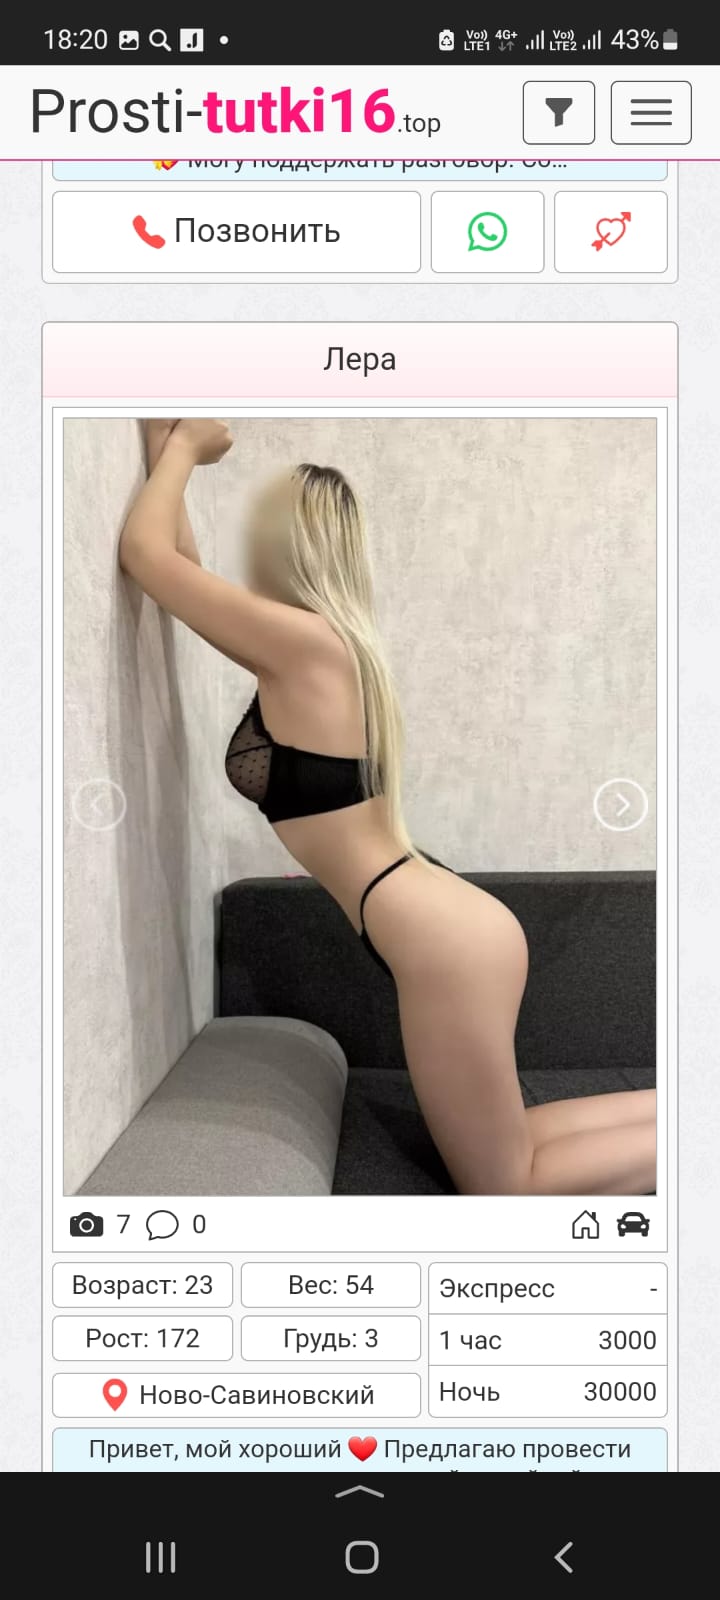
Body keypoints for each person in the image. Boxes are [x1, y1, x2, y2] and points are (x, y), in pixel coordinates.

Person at [119, 418, 656, 1196]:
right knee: (517, 1144)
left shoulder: (306, 644)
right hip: (441, 927)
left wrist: (183, 451)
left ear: (280, 546)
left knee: (505, 1189)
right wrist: (166, 447)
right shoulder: (324, 646)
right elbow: (179, 573)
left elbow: (146, 559)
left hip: (443, 939)